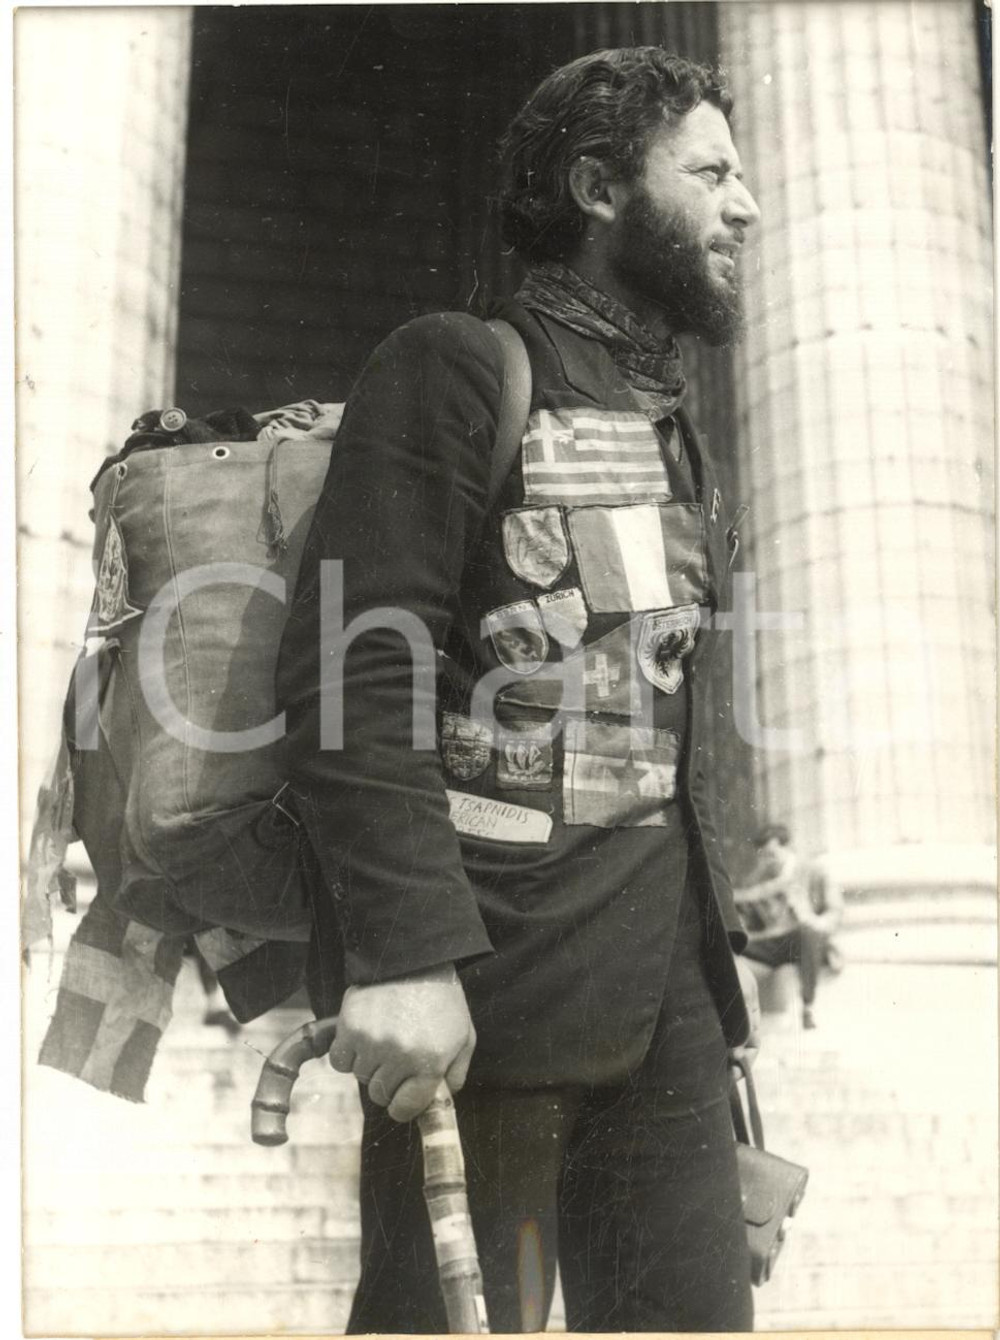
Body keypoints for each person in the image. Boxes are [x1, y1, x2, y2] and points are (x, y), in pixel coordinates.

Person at [277, 47, 763, 1333]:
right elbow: (349, 664)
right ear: (600, 186)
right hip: (484, 1000)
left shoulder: (669, 422)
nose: (747, 204)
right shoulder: (454, 366)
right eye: (709, 172)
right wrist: (401, 956)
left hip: (668, 1012)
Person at [736, 823, 845, 1029]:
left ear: (788, 847)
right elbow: (748, 920)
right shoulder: (759, 879)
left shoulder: (814, 871)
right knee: (731, 941)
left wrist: (815, 922)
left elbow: (835, 910)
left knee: (807, 934)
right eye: (762, 856)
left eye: (772, 854)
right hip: (774, 942)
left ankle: (808, 1007)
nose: (767, 861)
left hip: (807, 939)